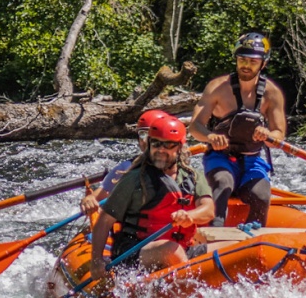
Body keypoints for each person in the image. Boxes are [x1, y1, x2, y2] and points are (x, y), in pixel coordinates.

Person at [89, 115, 215, 280]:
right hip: (135, 252)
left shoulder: (193, 177)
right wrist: (96, 260)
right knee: (171, 250)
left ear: (180, 147)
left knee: (233, 247)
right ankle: (189, 288)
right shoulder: (134, 179)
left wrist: (190, 216)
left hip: (183, 248)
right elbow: (104, 221)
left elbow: (208, 210)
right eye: (155, 144)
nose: (161, 150)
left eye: (168, 145)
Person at [188, 31, 286, 228]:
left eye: (252, 61)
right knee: (223, 183)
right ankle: (214, 235)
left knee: (261, 195)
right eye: (242, 59)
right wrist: (210, 137)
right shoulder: (217, 87)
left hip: (253, 160)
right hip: (220, 157)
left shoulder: (272, 93)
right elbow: (195, 127)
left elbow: (279, 134)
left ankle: (251, 243)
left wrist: (268, 135)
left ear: (263, 63)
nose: (246, 65)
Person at [80, 109, 171, 216]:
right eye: (142, 134)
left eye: (152, 135)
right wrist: (87, 200)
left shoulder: (184, 171)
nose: (145, 140)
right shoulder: (126, 168)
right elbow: (97, 197)